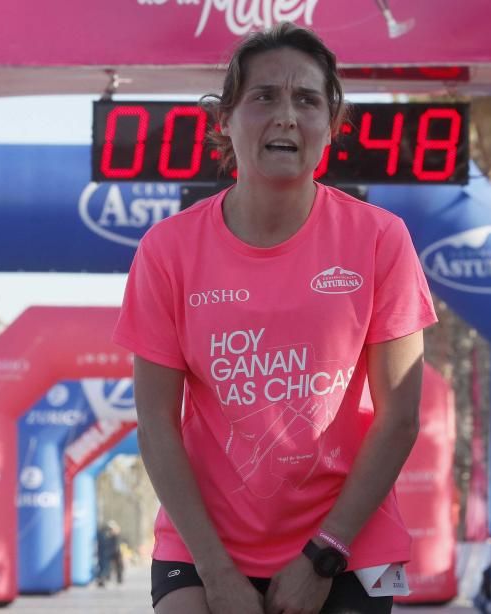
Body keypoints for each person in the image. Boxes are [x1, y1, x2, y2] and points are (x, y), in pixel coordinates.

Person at [113, 22, 437, 614]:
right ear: (225, 120)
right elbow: (156, 424)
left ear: (332, 127)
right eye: (264, 96)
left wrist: (324, 555)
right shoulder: (167, 250)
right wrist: (216, 573)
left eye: (307, 100)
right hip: (204, 545)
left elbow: (400, 419)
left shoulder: (380, 240)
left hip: (345, 539)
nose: (286, 115)